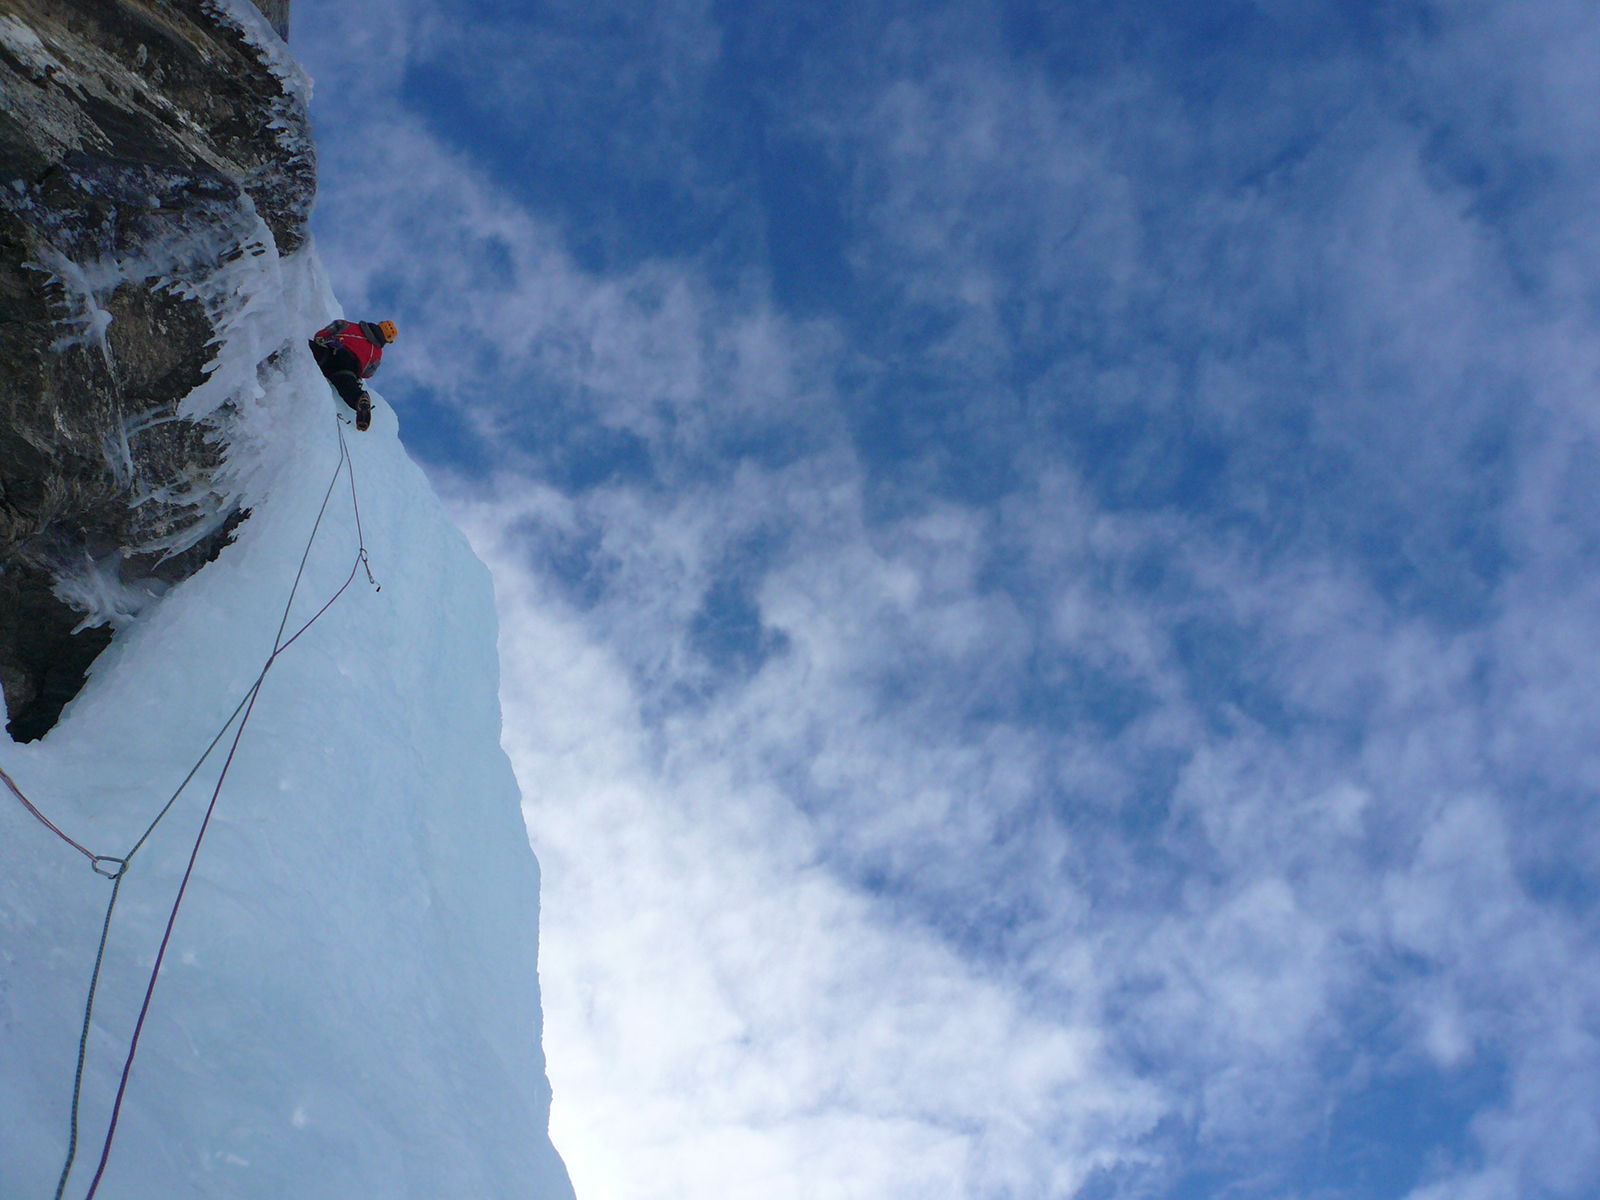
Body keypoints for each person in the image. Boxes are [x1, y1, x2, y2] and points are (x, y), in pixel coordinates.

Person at [309, 318, 397, 431]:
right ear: (388, 340)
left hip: (331, 352)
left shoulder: (348, 325)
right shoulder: (376, 355)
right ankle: (360, 398)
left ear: (380, 323)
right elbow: (368, 373)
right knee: (346, 386)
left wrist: (322, 339)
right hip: (348, 368)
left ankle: (285, 354)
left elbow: (324, 333)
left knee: (305, 350)